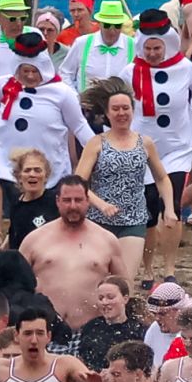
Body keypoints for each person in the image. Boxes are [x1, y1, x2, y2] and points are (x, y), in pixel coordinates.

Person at [0, 36, 93, 247]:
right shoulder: (6, 85)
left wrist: (100, 148)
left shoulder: (62, 93)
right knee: (17, 210)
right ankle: (8, 242)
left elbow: (78, 126)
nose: (30, 76)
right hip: (10, 162)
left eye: (34, 72)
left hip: (49, 163)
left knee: (45, 215)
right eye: (25, 71)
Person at [128, 17, 192, 280]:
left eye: (157, 48)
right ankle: (147, 268)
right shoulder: (130, 71)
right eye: (148, 49)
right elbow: (115, 101)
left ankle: (169, 269)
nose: (153, 54)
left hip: (178, 148)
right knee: (148, 210)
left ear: (166, 44)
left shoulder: (185, 68)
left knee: (172, 205)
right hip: (143, 148)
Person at [76, 83, 175, 280]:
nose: (121, 113)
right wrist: (101, 205)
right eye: (115, 109)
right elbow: (78, 183)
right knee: (97, 278)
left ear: (132, 110)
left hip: (134, 220)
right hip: (98, 221)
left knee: (124, 281)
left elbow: (162, 178)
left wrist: (169, 208)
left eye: (125, 108)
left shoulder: (144, 143)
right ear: (107, 113)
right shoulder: (96, 143)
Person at [20, 176, 127, 333]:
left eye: (78, 200)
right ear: (57, 201)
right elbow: (16, 286)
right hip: (45, 332)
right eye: (67, 200)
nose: (73, 206)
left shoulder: (107, 240)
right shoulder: (35, 239)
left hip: (92, 331)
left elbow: (124, 286)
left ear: (87, 201)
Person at [60, 0, 136, 91]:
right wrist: (74, 96)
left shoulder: (133, 45)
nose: (112, 30)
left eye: (117, 26)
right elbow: (65, 72)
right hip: (87, 103)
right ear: (99, 24)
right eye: (107, 25)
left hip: (120, 104)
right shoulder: (82, 43)